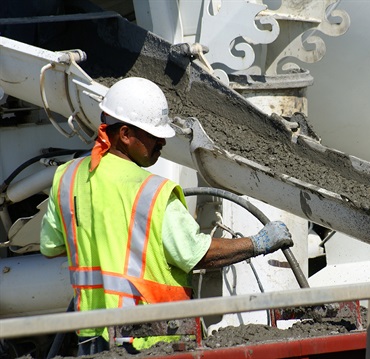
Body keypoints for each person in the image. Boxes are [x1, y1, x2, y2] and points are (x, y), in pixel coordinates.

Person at [40, 77, 294, 355]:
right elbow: (197, 254)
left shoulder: (67, 178)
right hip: (149, 339)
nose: (162, 141)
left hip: (90, 337)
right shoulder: (152, 192)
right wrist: (259, 243)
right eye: (153, 134)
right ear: (125, 134)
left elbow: (52, 247)